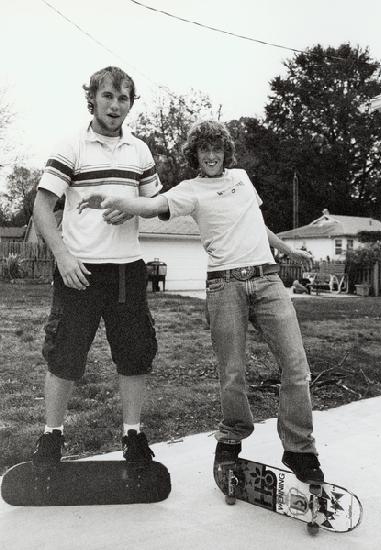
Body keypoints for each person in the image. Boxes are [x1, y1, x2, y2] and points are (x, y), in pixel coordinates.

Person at [78, 120, 324, 483]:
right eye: (204, 150)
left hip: (268, 280)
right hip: (225, 287)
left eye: (217, 149)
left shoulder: (242, 178)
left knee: (296, 366)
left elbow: (256, 222)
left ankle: (299, 450)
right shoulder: (189, 190)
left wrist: (288, 250)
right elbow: (152, 204)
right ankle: (230, 437)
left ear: (227, 153)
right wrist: (115, 200)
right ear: (195, 154)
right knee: (233, 372)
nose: (211, 155)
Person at [32, 66, 162, 467]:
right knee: (64, 355)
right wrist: (64, 256)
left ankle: (132, 436)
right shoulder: (72, 145)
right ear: (92, 98)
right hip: (79, 270)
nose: (115, 105)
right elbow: (41, 206)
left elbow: (155, 206)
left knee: (136, 353)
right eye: (108, 96)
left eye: (123, 98)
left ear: (130, 104)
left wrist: (132, 209)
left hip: (126, 270)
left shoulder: (139, 150)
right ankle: (52, 438)